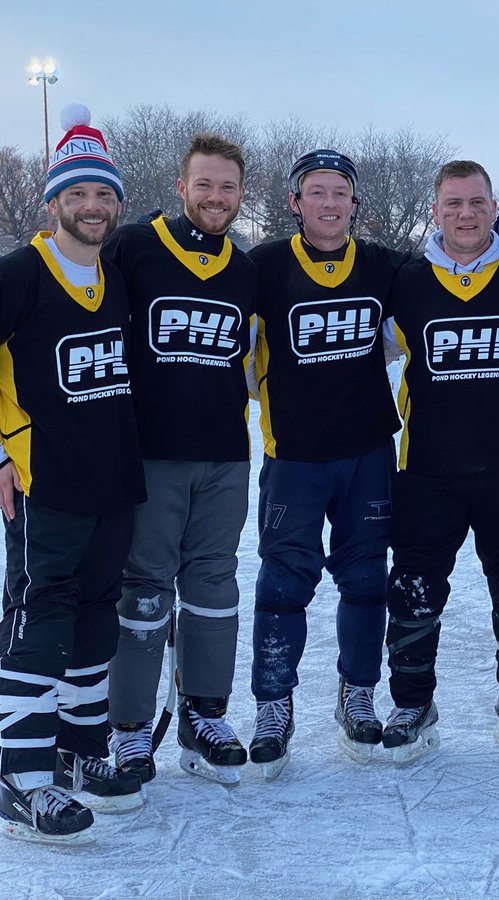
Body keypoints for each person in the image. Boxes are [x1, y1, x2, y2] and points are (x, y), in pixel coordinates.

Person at [381, 161, 499, 762]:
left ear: (494, 207)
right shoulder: (404, 281)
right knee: (414, 587)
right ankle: (412, 702)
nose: (465, 214)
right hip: (429, 469)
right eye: (453, 203)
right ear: (435, 210)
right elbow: (356, 355)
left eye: (477, 203)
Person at [0, 105, 145, 842]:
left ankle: (78, 753)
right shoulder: (21, 272)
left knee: (95, 617)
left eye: (103, 195)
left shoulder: (113, 274)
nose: (93, 207)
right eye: (78, 195)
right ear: (53, 201)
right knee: (41, 617)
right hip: (45, 482)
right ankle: (19, 773)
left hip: (113, 478)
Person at [245, 150, 405, 777]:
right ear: (295, 202)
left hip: (367, 450)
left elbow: (458, 274)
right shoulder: (263, 267)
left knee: (366, 581)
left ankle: (356, 694)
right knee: (283, 581)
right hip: (295, 457)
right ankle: (273, 705)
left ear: (354, 202)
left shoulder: (386, 267)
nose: (330, 202)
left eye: (340, 192)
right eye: (317, 192)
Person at [103, 134, 256, 787]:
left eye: (227, 187)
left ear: (241, 194)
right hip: (151, 454)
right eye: (204, 185)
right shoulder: (135, 248)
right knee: (143, 592)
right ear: (180, 187)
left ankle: (204, 717)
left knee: (215, 589)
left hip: (225, 454)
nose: (215, 198)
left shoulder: (247, 269)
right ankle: (132, 729)